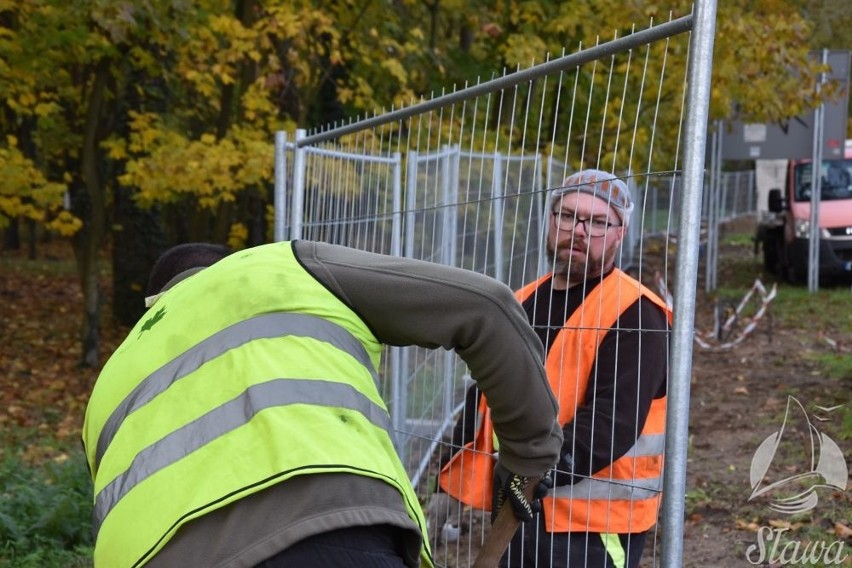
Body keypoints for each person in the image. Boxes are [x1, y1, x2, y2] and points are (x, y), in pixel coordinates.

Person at [81, 239, 563, 568]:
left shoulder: (110, 381)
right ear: (232, 262)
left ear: (154, 302)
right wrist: (527, 459)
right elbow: (488, 307)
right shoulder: (270, 268)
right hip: (325, 534)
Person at [438, 169, 672, 568]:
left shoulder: (637, 314)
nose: (579, 231)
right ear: (550, 222)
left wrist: (540, 467)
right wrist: (450, 479)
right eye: (567, 215)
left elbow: (613, 418)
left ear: (620, 233)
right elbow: (485, 394)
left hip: (594, 528)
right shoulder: (520, 302)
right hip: (517, 506)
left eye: (598, 222)